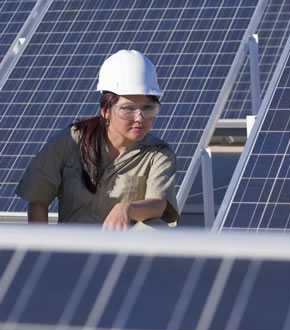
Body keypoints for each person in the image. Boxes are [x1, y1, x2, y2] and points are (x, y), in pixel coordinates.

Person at [16, 50, 178, 229]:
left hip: (125, 251)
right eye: (128, 109)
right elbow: (38, 198)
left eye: (148, 108)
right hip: (75, 249)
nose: (139, 118)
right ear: (106, 111)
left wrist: (126, 209)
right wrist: (41, 248)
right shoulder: (71, 140)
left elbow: (159, 204)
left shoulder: (158, 153)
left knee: (156, 229)